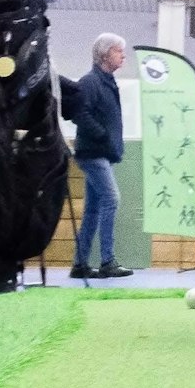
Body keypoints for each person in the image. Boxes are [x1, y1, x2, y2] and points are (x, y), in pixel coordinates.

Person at [60, 34, 133, 279]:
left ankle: (80, 264)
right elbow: (80, 113)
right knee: (111, 199)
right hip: (93, 153)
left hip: (100, 153)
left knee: (92, 209)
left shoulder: (106, 81)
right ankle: (107, 261)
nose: (123, 55)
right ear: (104, 54)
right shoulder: (91, 82)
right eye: (118, 51)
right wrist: (102, 135)